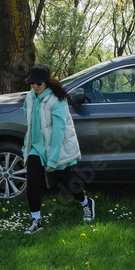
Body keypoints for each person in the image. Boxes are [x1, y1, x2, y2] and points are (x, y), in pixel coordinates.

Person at [22, 63, 95, 234]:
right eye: (32, 83)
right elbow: (29, 121)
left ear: (46, 82)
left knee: (66, 183)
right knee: (32, 182)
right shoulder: (30, 97)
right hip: (36, 148)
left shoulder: (57, 100)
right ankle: (36, 221)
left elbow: (59, 130)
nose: (35, 86)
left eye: (38, 83)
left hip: (56, 147)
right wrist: (28, 144)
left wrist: (53, 158)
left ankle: (86, 203)